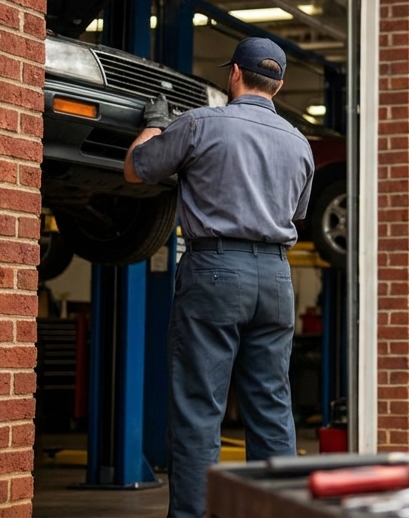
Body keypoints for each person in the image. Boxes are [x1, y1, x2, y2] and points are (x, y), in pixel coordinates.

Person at [124, 37, 316, 518]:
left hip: (214, 271)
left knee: (198, 409)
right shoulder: (299, 143)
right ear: (279, 84)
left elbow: (137, 170)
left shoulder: (200, 124)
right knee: (272, 410)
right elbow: (297, 212)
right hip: (275, 277)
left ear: (234, 74)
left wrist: (152, 126)